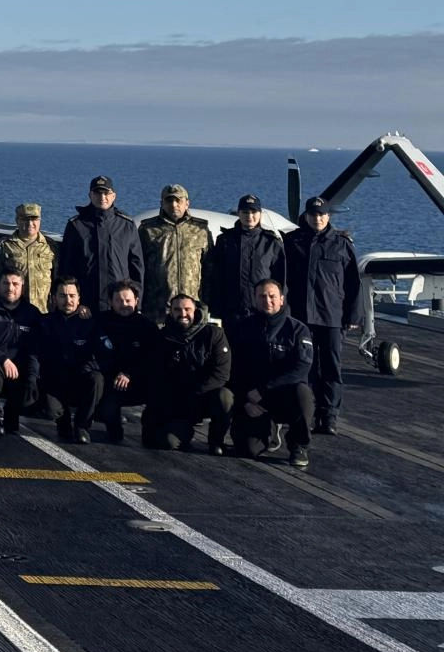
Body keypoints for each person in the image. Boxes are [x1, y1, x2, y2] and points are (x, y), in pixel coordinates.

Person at [284, 196, 361, 436]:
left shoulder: (342, 244)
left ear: (328, 216)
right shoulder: (292, 242)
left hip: (331, 316)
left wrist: (353, 316)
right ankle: (306, 412)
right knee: (303, 366)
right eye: (313, 215)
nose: (317, 219)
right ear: (306, 216)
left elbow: (353, 283)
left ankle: (329, 416)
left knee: (331, 368)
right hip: (300, 318)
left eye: (321, 215)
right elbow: (282, 279)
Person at [228, 279, 315, 469]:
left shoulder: (298, 330)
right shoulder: (242, 328)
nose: (267, 300)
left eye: (272, 296)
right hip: (253, 398)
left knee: (303, 393)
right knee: (248, 450)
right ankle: (268, 430)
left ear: (281, 299)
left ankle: (298, 445)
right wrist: (244, 401)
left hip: (282, 394)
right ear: (255, 299)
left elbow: (301, 368)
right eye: (262, 296)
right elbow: (234, 369)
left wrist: (264, 389)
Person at [141, 294, 232, 453]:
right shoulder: (162, 337)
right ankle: (183, 433)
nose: (183, 314)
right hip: (177, 401)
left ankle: (216, 441)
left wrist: (194, 393)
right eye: (177, 310)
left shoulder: (214, 334)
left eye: (187, 309)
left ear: (195, 310)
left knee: (224, 396)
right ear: (170, 311)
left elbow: (221, 374)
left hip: (204, 395)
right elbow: (155, 375)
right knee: (164, 442)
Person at [59, 176, 144, 312]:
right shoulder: (76, 225)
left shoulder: (126, 225)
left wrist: (136, 305)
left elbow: (137, 267)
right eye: (97, 193)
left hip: (119, 304)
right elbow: (66, 268)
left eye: (106, 193)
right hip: (86, 306)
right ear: (90, 195)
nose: (102, 197)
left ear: (114, 196)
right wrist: (75, 304)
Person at [0, 269, 41, 436]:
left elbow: (35, 349)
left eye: (15, 284)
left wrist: (32, 378)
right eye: (6, 283)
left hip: (20, 368)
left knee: (32, 386)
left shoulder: (32, 314)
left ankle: (13, 412)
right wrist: (2, 359)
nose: (10, 288)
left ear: (22, 287)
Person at [39, 279, 106, 444]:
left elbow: (103, 355)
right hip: (55, 382)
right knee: (49, 410)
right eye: (62, 295)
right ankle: (63, 421)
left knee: (97, 379)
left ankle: (82, 426)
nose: (68, 300)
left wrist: (86, 368)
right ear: (54, 298)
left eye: (72, 295)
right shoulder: (44, 322)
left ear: (79, 298)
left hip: (79, 379)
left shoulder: (90, 323)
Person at [205, 194, 286, 325]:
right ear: (239, 213)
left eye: (254, 212)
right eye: (245, 212)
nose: (249, 216)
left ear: (260, 214)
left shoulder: (272, 243)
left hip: (262, 309)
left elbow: (281, 279)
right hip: (232, 310)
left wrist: (281, 309)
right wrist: (216, 306)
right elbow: (216, 275)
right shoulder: (225, 240)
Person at [139, 184, 211, 323]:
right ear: (162, 203)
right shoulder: (148, 229)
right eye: (169, 200)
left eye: (178, 200)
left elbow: (210, 267)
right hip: (158, 307)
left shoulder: (200, 229)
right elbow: (139, 266)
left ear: (187, 203)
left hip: (192, 307)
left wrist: (206, 301)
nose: (174, 205)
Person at [91, 280, 152, 443]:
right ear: (110, 302)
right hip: (110, 379)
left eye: (128, 300)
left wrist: (129, 374)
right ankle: (112, 429)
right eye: (118, 300)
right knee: (106, 404)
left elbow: (151, 359)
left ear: (136, 301)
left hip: (138, 378)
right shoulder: (100, 322)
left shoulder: (147, 327)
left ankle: (151, 430)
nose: (124, 304)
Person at [0, 205, 55, 313]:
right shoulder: (4, 246)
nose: (30, 223)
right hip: (13, 311)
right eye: (25, 219)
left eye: (34, 219)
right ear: (17, 221)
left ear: (40, 220)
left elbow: (58, 279)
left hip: (43, 310)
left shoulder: (50, 247)